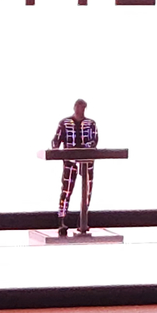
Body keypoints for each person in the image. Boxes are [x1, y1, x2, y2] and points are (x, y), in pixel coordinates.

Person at [51, 98, 100, 236]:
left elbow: (94, 140)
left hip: (87, 161)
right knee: (66, 190)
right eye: (78, 107)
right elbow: (56, 139)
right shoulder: (64, 123)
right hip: (70, 160)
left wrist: (87, 148)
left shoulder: (91, 123)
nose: (80, 110)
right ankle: (62, 220)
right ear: (74, 107)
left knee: (87, 191)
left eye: (83, 108)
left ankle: (82, 221)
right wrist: (55, 149)